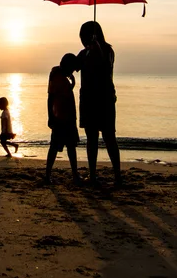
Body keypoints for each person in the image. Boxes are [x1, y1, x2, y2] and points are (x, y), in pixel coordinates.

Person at [77, 21, 121, 187]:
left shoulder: (107, 51)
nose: (81, 40)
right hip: (88, 99)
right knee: (91, 138)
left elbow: (105, 65)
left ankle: (118, 176)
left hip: (104, 99)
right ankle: (93, 174)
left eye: (83, 36)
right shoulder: (84, 53)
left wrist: (97, 49)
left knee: (109, 137)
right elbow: (74, 64)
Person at [45, 53, 82, 186]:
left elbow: (62, 93)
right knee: (60, 147)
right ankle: (50, 174)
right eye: (72, 69)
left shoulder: (58, 77)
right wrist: (50, 117)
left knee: (66, 147)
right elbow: (50, 98)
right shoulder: (56, 77)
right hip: (61, 118)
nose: (72, 72)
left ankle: (71, 174)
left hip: (65, 118)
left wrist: (72, 83)